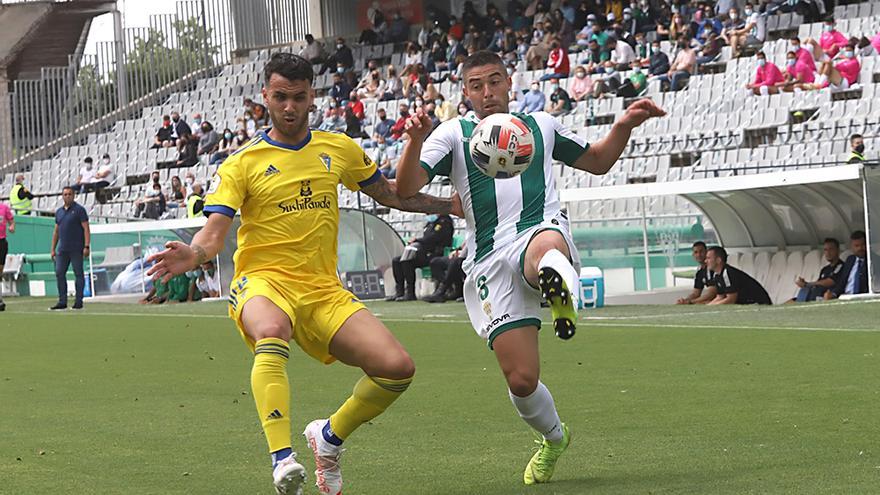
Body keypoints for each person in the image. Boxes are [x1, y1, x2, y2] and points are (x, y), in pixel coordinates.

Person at [145, 52, 459, 495]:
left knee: (397, 369)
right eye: (279, 97)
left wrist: (449, 205)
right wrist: (194, 254)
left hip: (322, 290)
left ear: (313, 96)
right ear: (264, 98)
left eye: (298, 97)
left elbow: (390, 194)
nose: (289, 106)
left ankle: (328, 438)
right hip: (262, 283)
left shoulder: (338, 148)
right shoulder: (243, 163)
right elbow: (214, 234)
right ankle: (282, 459)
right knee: (271, 329)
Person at [394, 50, 664, 485]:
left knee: (545, 250)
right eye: (477, 85)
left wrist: (623, 125)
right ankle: (554, 438)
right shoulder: (452, 134)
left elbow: (597, 161)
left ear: (509, 83)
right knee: (521, 380)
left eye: (495, 82)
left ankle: (558, 285)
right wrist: (414, 140)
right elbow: (405, 188)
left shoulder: (541, 125)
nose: (487, 93)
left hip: (538, 230)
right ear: (465, 92)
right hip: (488, 261)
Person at [387, 214, 454, 301]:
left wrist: (417, 241)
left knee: (408, 261)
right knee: (397, 260)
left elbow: (434, 238)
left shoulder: (444, 222)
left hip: (436, 254)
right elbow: (426, 237)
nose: (429, 214)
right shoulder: (431, 223)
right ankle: (400, 292)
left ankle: (410, 293)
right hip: (425, 253)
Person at [50, 187, 90, 311]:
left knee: (78, 273)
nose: (67, 196)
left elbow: (86, 228)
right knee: (59, 272)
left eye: (69, 194)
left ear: (73, 195)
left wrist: (86, 246)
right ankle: (62, 301)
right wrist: (53, 248)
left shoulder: (79, 210)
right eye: (65, 194)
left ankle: (79, 301)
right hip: (63, 249)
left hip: (76, 248)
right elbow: (56, 231)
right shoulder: (59, 212)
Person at [705, 246, 772, 305]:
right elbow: (720, 297)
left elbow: (731, 299)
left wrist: (713, 307)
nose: (705, 261)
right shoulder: (716, 275)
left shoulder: (727, 273)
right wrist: (708, 307)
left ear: (718, 260)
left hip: (757, 303)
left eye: (708, 258)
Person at [789, 238, 843, 302]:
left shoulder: (841, 266)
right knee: (790, 301)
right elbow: (817, 284)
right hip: (815, 295)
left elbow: (830, 281)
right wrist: (805, 284)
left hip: (827, 297)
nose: (828, 253)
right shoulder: (825, 269)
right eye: (825, 250)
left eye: (831, 249)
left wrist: (807, 284)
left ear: (838, 250)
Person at [827, 230, 868, 298]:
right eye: (856, 246)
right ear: (852, 247)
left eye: (863, 245)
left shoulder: (874, 260)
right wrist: (833, 294)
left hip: (862, 297)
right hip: (845, 296)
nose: (860, 248)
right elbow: (842, 282)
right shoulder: (850, 260)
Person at [0, 200, 14, 310]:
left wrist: (12, 226)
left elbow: (11, 221)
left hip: (2, 241)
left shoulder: (4, 208)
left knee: (0, 270)